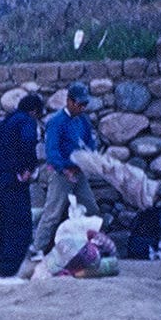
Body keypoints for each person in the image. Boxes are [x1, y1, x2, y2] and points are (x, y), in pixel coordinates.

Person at [0, 87, 41, 283]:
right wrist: (27, 168)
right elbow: (28, 144)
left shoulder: (3, 124)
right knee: (20, 226)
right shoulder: (27, 121)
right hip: (15, 180)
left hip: (0, 181)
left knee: (4, 225)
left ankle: (0, 270)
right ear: (34, 111)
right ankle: (9, 273)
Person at [29, 81, 101, 260]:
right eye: (79, 104)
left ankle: (90, 246)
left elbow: (90, 143)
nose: (82, 108)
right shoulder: (56, 122)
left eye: (85, 104)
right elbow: (52, 152)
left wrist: (89, 158)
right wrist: (64, 169)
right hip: (61, 173)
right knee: (53, 212)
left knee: (91, 208)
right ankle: (37, 248)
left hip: (78, 172)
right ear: (69, 101)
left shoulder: (83, 120)